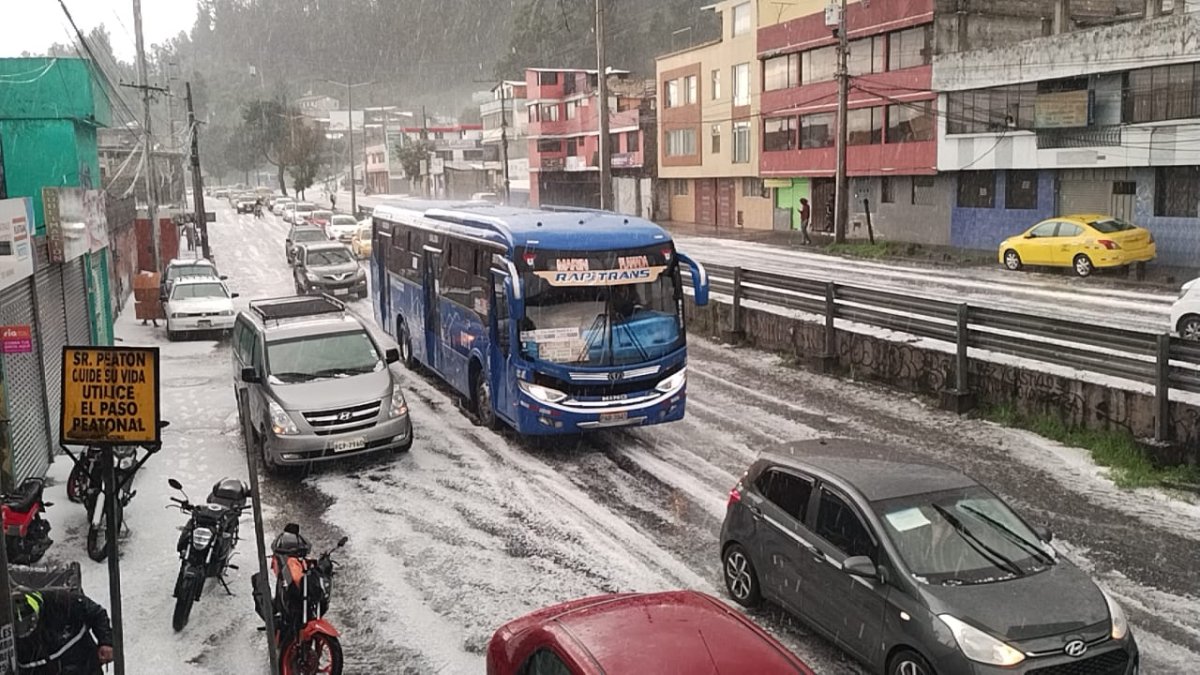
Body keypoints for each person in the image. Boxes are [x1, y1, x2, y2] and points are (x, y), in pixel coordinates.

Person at [13, 587, 114, 675]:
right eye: (20, 628)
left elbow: (97, 614)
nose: (27, 631)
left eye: (31, 623)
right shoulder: (14, 640)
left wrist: (106, 642)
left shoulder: (63, 602)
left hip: (84, 665)